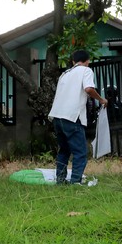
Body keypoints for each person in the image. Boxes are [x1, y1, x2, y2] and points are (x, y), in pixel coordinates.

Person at [48, 50, 108, 185]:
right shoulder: (86, 71)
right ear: (87, 61)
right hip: (72, 116)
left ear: (73, 61)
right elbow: (88, 89)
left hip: (57, 116)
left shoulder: (64, 74)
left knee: (63, 150)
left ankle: (60, 180)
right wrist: (101, 100)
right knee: (80, 151)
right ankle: (75, 181)